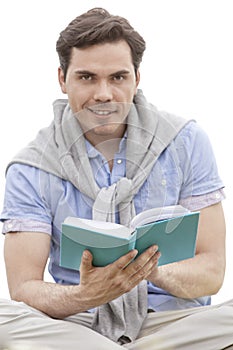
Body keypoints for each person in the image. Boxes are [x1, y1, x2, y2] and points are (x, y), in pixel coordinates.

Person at [0, 7, 232, 350]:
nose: (104, 93)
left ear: (137, 78)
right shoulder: (31, 167)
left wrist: (151, 272)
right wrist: (85, 294)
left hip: (172, 321)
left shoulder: (185, 141)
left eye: (118, 77)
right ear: (62, 79)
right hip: (79, 323)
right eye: (87, 77)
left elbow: (212, 272)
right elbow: (24, 288)